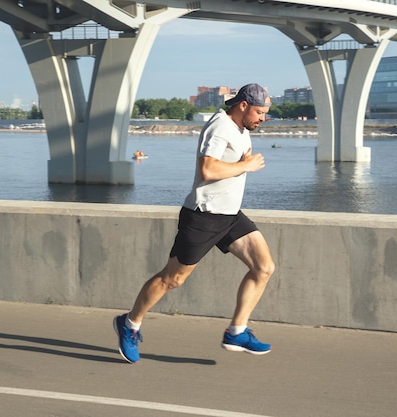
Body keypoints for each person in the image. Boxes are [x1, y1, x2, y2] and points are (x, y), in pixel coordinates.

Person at [113, 83, 276, 363]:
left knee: (264, 267)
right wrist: (245, 166)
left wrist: (242, 164)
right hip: (203, 216)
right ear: (243, 106)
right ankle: (129, 324)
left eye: (266, 114)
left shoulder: (241, 130)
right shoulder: (220, 127)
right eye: (260, 113)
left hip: (230, 215)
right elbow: (207, 169)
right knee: (172, 279)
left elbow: (231, 166)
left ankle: (236, 331)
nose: (263, 119)